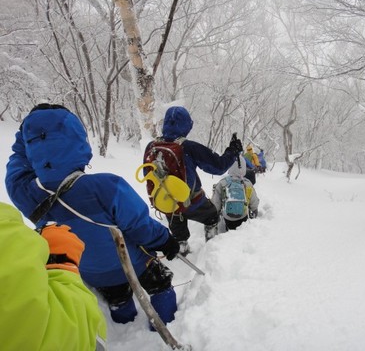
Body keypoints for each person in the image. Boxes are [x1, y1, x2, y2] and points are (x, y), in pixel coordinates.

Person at [5, 103, 180, 327]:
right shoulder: (106, 186)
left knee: (117, 296)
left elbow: (16, 172)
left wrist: (27, 136)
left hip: (89, 271)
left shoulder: (26, 194)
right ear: (78, 138)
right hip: (133, 263)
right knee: (161, 283)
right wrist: (165, 240)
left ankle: (124, 321)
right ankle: (165, 326)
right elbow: (141, 227)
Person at [0, 201, 107, 351]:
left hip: (92, 272)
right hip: (114, 270)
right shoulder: (6, 227)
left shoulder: (18, 191)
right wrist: (62, 265)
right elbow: (76, 337)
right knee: (122, 300)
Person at [144, 106, 243, 254]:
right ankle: (212, 250)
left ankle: (182, 247)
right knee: (212, 216)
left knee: (176, 217)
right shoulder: (188, 147)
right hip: (192, 202)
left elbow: (147, 172)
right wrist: (232, 151)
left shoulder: (151, 146)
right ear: (186, 125)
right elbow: (219, 166)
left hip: (165, 200)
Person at [211, 157, 260, 231]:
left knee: (228, 224)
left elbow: (216, 203)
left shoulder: (222, 183)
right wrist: (254, 210)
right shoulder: (247, 183)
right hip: (243, 216)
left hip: (228, 217)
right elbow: (254, 202)